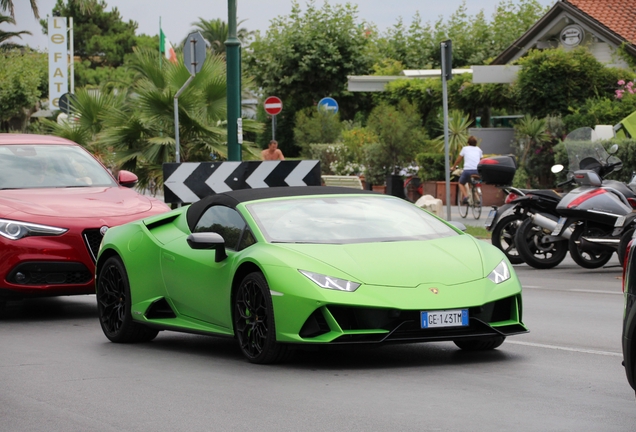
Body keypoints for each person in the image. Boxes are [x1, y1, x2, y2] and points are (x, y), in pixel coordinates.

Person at [452, 135, 483, 204]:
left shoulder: (465, 149)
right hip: (477, 171)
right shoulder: (479, 150)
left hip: (467, 171)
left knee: (460, 183)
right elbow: (481, 161)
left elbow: (458, 160)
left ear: (468, 143)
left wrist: (454, 166)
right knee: (474, 183)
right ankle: (477, 198)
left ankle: (466, 196)